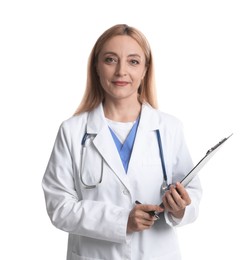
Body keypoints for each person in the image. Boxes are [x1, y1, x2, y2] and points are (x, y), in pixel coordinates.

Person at [42, 24, 202, 260]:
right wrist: (121, 221)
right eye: (110, 60)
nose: (121, 71)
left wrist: (180, 208)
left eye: (133, 61)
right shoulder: (72, 131)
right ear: (96, 66)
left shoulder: (169, 128)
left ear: (146, 69)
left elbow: (193, 194)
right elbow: (59, 206)